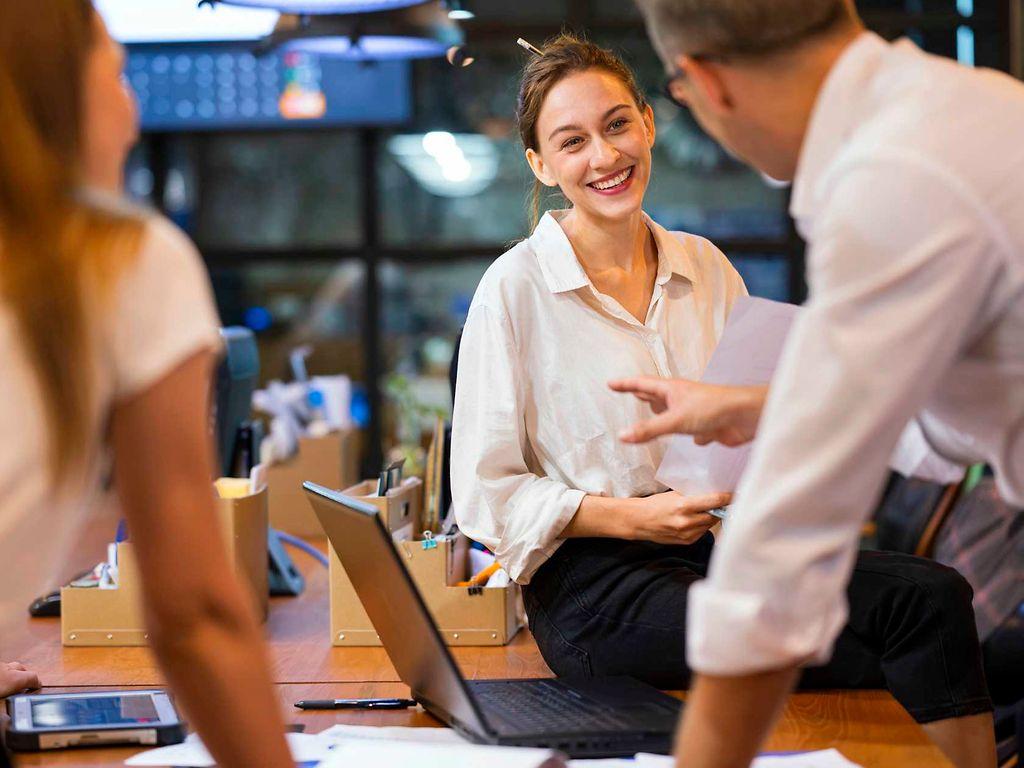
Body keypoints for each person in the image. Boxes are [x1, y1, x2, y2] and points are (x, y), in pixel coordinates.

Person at [451, 32, 992, 762]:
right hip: (594, 588)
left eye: (616, 125)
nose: (605, 157)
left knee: (929, 596)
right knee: (909, 641)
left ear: (647, 121)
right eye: (572, 142)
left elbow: (755, 420)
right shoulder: (513, 290)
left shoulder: (703, 265)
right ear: (541, 165)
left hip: (717, 549)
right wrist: (633, 519)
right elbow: (486, 494)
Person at [610, 0, 1024, 765]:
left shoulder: (890, 180)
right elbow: (969, 408)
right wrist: (764, 408)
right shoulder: (969, 106)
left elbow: (787, 546)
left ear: (705, 82)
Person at [0, 2, 292, 766]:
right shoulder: (123, 264)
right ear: (51, 91)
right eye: (119, 74)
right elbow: (193, 613)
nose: (131, 114)